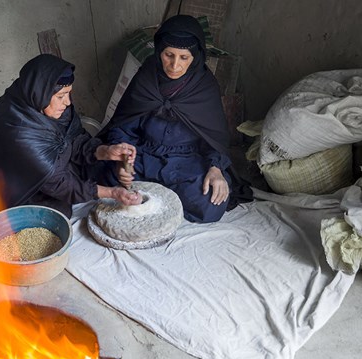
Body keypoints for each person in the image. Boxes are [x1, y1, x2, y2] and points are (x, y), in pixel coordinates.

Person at [98, 15, 252, 223]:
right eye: (169, 55)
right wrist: (124, 160)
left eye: (183, 58)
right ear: (159, 51)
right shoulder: (146, 76)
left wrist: (216, 169)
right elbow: (124, 125)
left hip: (187, 161)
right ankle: (157, 195)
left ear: (195, 58)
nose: (174, 65)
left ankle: (154, 197)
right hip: (144, 154)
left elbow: (214, 137)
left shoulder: (204, 86)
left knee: (211, 204)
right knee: (105, 175)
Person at [0, 53, 141, 220]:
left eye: (69, 93)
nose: (68, 102)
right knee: (54, 215)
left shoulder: (48, 104)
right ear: (40, 92)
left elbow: (75, 138)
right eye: (61, 96)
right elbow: (57, 183)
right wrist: (112, 193)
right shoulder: (18, 131)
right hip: (10, 186)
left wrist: (106, 151)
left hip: (46, 169)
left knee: (100, 169)